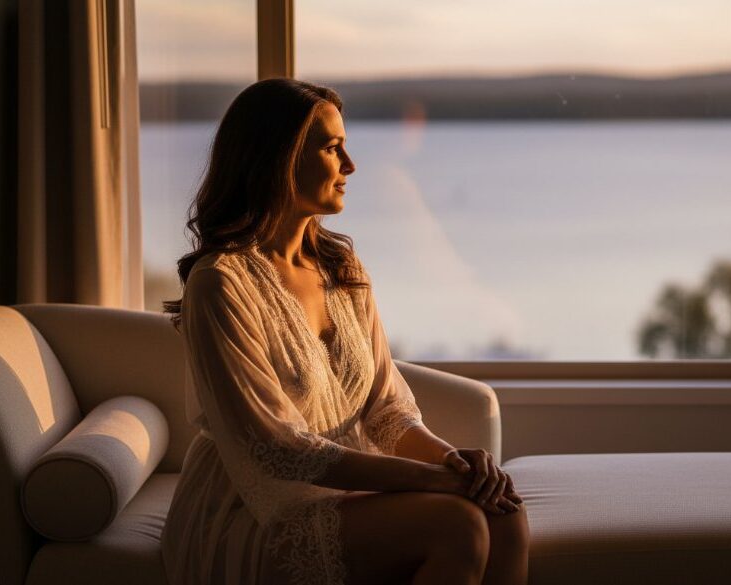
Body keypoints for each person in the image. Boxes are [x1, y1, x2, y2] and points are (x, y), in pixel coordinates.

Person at [159, 78, 529, 585]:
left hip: (348, 493)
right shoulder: (221, 285)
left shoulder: (340, 265)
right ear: (280, 157)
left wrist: (453, 463)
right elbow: (279, 448)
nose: (350, 166)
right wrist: (437, 483)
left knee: (504, 515)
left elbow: (385, 407)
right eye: (333, 149)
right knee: (458, 524)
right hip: (256, 509)